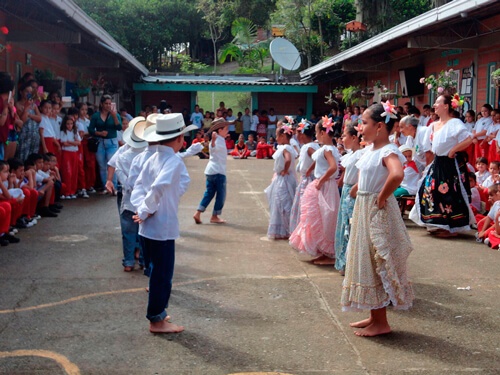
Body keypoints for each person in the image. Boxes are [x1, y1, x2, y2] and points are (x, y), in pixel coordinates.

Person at [342, 102, 413, 337]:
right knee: (365, 258)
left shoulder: (387, 150)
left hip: (375, 210)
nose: (360, 127)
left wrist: (381, 197)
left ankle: (382, 322)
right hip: (365, 207)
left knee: (375, 261)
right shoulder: (372, 150)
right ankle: (374, 316)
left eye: (364, 122)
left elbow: (397, 174)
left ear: (380, 126)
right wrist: (357, 192)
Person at [131, 113, 197, 334]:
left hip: (149, 226)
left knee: (156, 272)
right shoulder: (173, 160)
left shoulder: (153, 158)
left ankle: (158, 313)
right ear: (179, 139)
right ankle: (156, 320)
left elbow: (139, 187)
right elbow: (159, 187)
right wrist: (146, 210)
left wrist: (143, 209)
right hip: (161, 227)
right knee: (162, 275)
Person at [410, 95, 474, 237]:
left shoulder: (455, 123)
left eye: (438, 102)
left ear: (446, 106)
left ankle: (451, 227)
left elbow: (469, 139)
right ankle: (438, 223)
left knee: (448, 193)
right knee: (428, 190)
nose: (434, 105)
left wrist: (453, 149)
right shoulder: (433, 125)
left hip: (449, 163)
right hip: (437, 161)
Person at [289, 117, 341, 264]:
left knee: (325, 218)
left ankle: (329, 254)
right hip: (324, 184)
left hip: (325, 186)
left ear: (324, 133)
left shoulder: (327, 149)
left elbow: (333, 167)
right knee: (319, 217)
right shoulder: (327, 148)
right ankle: (323, 251)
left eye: (318, 132)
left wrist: (322, 180)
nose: (316, 135)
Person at [115, 117, 147, 272]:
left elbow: (123, 181)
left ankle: (128, 262)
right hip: (145, 201)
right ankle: (142, 260)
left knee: (128, 232)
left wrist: (131, 188)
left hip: (128, 200)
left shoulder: (122, 157)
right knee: (143, 232)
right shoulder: (149, 156)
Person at [334, 123, 363, 275]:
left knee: (350, 226)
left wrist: (355, 188)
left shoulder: (362, 154)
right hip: (346, 190)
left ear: (354, 137)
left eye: (345, 136)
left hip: (353, 192)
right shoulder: (350, 155)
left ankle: (351, 262)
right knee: (343, 224)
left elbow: (363, 174)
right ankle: (343, 261)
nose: (342, 139)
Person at [193, 118, 230, 225]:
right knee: (221, 194)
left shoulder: (220, 139)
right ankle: (215, 215)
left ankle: (198, 212)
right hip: (218, 172)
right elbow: (213, 148)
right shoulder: (217, 140)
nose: (227, 131)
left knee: (209, 193)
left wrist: (214, 140)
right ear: (220, 130)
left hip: (211, 170)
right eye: (226, 129)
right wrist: (213, 140)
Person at [265, 124, 297, 239]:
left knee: (283, 203)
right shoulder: (288, 147)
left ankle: (287, 228)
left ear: (283, 136)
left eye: (277, 136)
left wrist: (284, 169)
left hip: (284, 180)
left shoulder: (285, 148)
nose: (276, 138)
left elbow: (287, 159)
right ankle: (283, 229)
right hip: (283, 178)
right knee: (281, 203)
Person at [289, 120, 319, 233]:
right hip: (309, 178)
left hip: (308, 179)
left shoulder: (308, 147)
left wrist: (310, 169)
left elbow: (318, 159)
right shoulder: (312, 145)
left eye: (297, 132)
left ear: (302, 134)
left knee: (304, 205)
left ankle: (303, 231)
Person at [88, 95, 122, 192]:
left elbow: (119, 127)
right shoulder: (96, 116)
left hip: (111, 141)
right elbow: (90, 129)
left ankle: (114, 186)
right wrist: (98, 133)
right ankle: (105, 186)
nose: (108, 106)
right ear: (102, 104)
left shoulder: (115, 115)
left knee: (112, 164)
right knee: (102, 166)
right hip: (100, 142)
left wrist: (114, 116)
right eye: (106, 104)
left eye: (109, 104)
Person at [15, 81, 42, 162]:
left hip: (34, 136)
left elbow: (39, 118)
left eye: (30, 92)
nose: (29, 93)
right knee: (23, 158)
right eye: (27, 91)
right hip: (24, 136)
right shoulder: (18, 105)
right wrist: (26, 108)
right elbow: (22, 121)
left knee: (33, 160)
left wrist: (30, 115)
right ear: (21, 92)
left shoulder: (33, 105)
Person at [59, 116, 81, 199]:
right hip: (66, 153)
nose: (69, 125)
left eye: (71, 124)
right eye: (68, 124)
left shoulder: (75, 132)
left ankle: (72, 191)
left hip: (74, 153)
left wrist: (70, 142)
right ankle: (67, 191)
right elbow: (64, 143)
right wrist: (74, 143)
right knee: (68, 172)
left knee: (74, 172)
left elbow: (78, 142)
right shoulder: (63, 132)